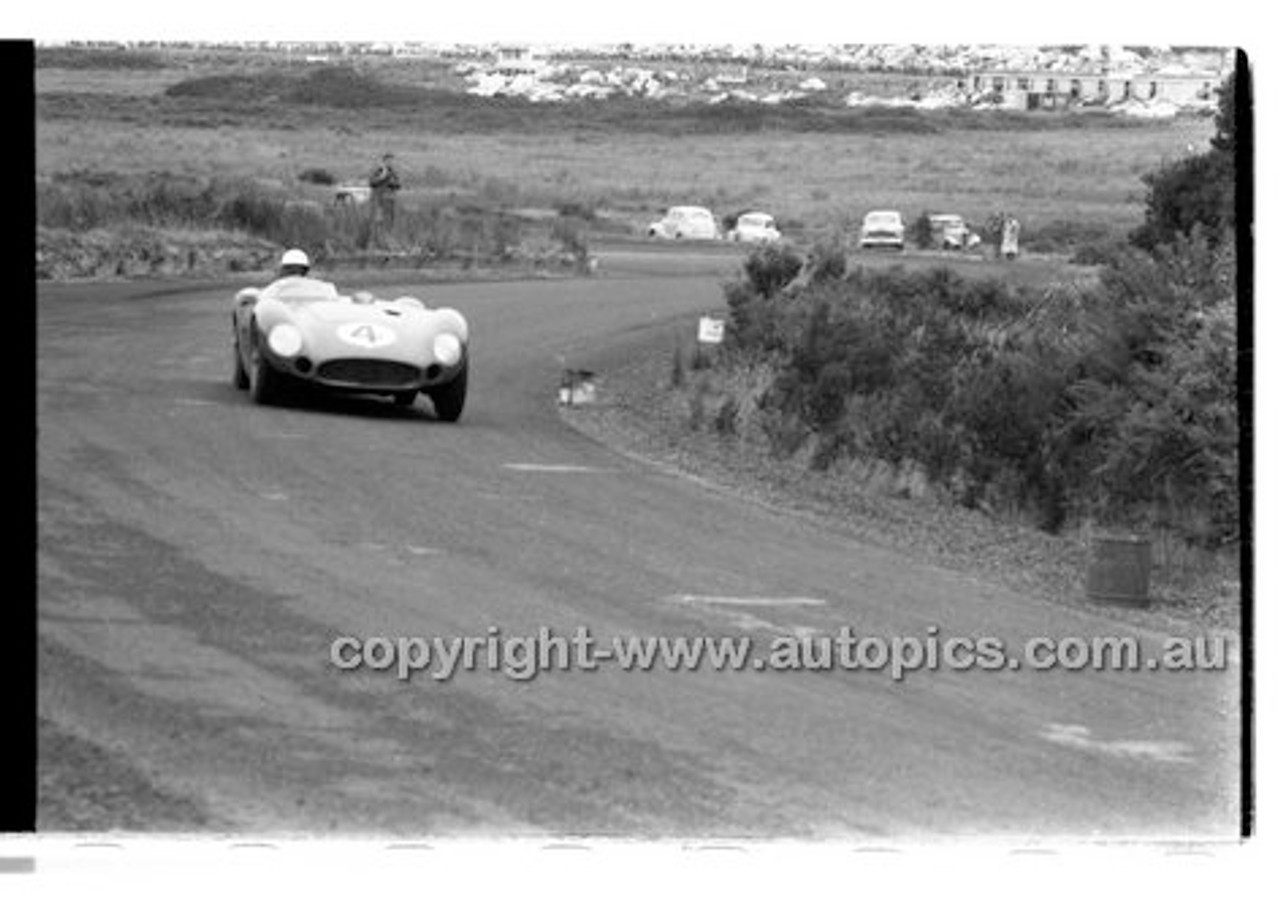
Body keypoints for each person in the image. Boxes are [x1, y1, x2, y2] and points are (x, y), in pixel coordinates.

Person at [368, 152, 402, 247]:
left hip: (390, 201)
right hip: (378, 201)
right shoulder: (378, 171)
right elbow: (371, 183)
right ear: (384, 161)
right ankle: (376, 242)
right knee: (378, 220)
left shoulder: (393, 172)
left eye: (391, 161)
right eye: (388, 160)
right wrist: (382, 177)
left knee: (390, 222)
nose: (390, 162)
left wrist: (391, 182)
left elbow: (398, 184)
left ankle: (388, 241)